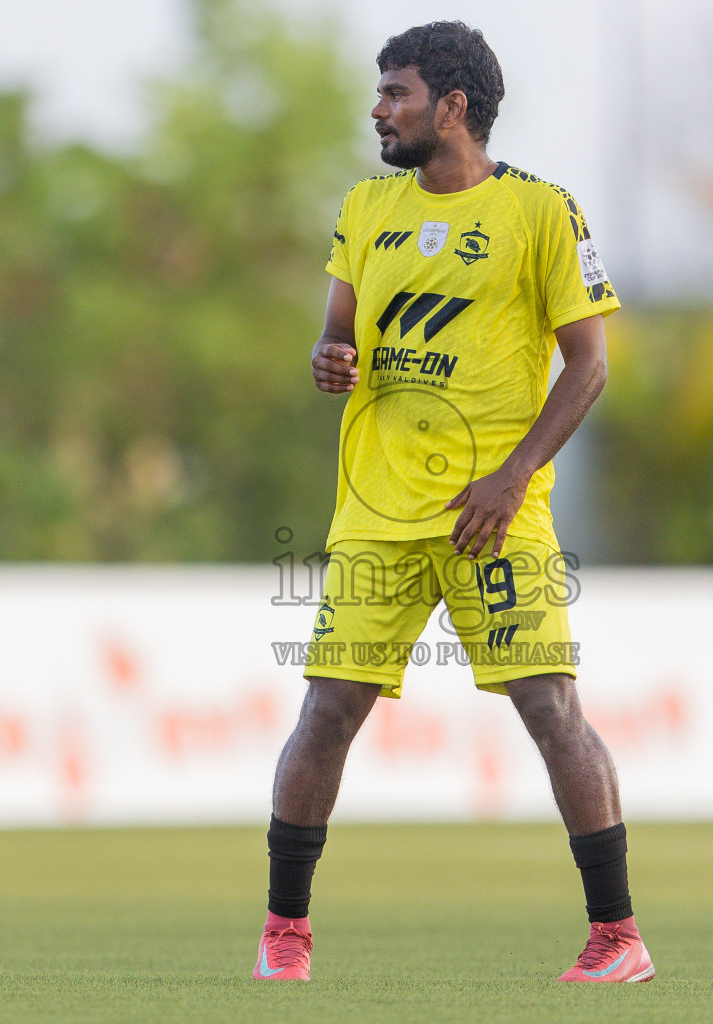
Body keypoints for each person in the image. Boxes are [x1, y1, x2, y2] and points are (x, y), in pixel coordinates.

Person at [254, 21, 653, 984]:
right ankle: (284, 934)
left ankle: (618, 937)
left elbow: (589, 368)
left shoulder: (544, 213)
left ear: (454, 106)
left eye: (395, 93)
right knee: (325, 715)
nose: (378, 109)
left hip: (495, 517)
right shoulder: (365, 207)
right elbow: (337, 335)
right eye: (380, 92)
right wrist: (329, 359)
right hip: (377, 516)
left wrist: (513, 476)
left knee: (553, 708)